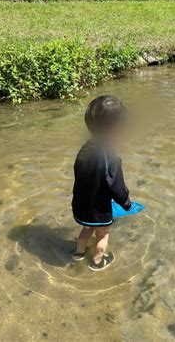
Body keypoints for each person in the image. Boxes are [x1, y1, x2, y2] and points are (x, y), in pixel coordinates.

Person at [71, 95, 132, 271]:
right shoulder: (111, 158)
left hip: (82, 205)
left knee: (86, 228)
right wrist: (126, 203)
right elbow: (117, 187)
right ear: (115, 128)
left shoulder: (84, 150)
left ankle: (78, 253)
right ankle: (97, 261)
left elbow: (80, 176)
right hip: (99, 210)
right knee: (103, 235)